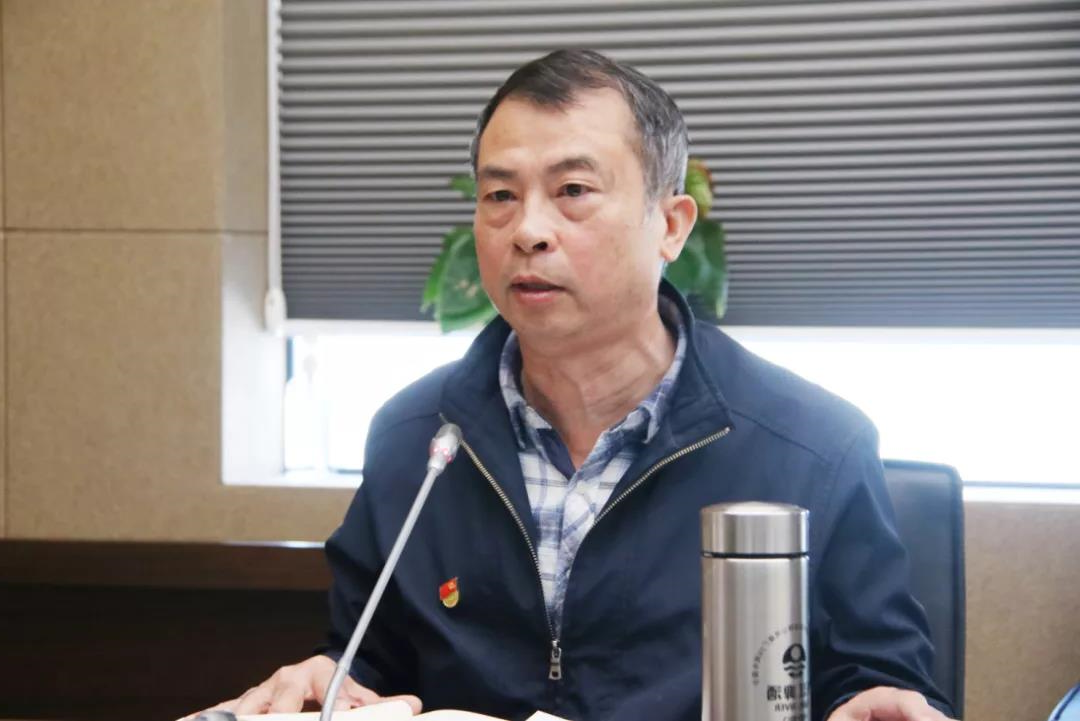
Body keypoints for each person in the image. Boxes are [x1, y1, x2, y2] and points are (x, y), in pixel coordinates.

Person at [201, 50, 957, 721]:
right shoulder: (417, 440)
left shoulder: (813, 447)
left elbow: (877, 678)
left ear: (671, 225)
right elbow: (373, 659)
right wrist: (334, 678)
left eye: (572, 190)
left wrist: (876, 699)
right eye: (500, 196)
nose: (528, 230)